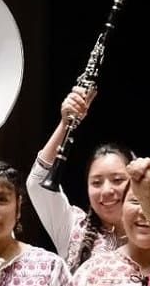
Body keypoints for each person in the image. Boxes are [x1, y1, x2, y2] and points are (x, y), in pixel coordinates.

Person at [25, 85, 130, 269]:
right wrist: (65, 124)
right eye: (96, 183)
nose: (106, 190)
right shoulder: (73, 227)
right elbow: (37, 183)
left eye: (118, 180)